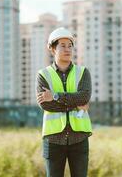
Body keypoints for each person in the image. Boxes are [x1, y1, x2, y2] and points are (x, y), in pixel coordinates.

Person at [36, 27, 92, 177]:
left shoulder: (83, 72)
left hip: (79, 138)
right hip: (53, 140)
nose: (67, 49)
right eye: (62, 45)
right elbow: (45, 105)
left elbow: (84, 97)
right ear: (52, 49)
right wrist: (75, 103)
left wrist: (55, 96)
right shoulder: (43, 75)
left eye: (70, 45)